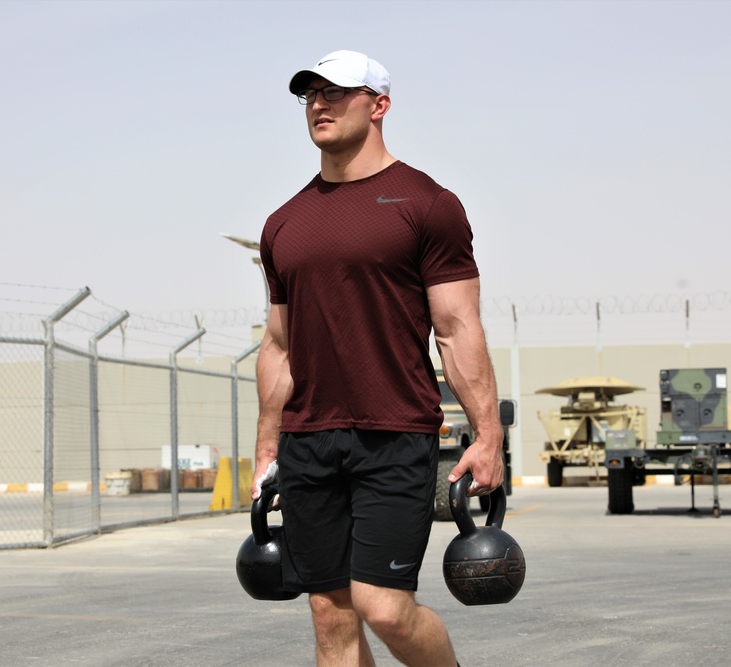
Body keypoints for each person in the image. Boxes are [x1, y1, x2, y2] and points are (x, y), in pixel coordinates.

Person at [251, 49, 505, 667]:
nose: (318, 103)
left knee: (385, 607)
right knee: (329, 614)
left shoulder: (426, 204)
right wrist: (265, 447)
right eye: (310, 94)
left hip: (394, 433)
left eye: (335, 92)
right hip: (309, 439)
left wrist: (488, 434)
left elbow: (456, 326)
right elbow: (279, 344)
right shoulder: (284, 224)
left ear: (379, 104)